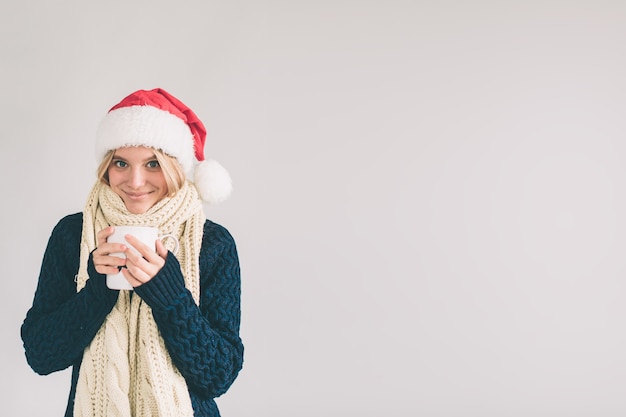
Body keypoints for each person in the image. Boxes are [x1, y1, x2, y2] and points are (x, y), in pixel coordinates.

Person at [21, 88, 244, 417]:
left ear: (176, 167)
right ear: (106, 167)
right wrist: (96, 291)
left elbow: (218, 376)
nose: (135, 181)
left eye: (153, 163)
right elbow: (41, 355)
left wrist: (170, 297)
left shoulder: (212, 244)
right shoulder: (73, 235)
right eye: (121, 163)